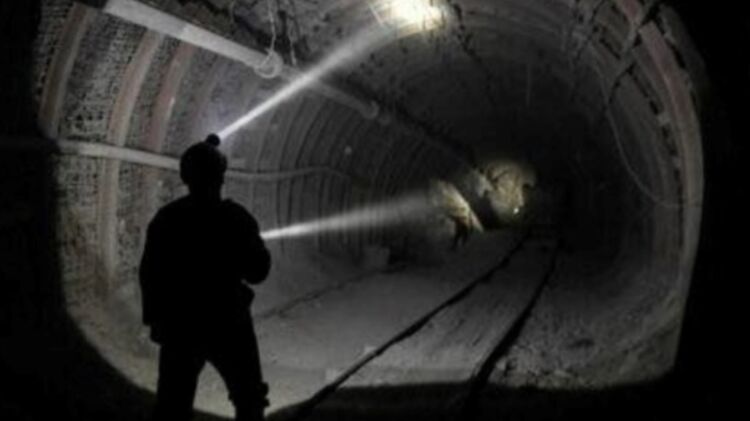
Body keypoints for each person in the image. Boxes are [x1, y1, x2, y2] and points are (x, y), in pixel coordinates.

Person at [139, 134, 271, 421]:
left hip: (180, 325)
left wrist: (156, 320)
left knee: (172, 406)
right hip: (229, 321)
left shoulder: (167, 219)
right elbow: (258, 272)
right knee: (249, 399)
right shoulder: (235, 218)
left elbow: (149, 273)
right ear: (221, 177)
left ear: (185, 177)